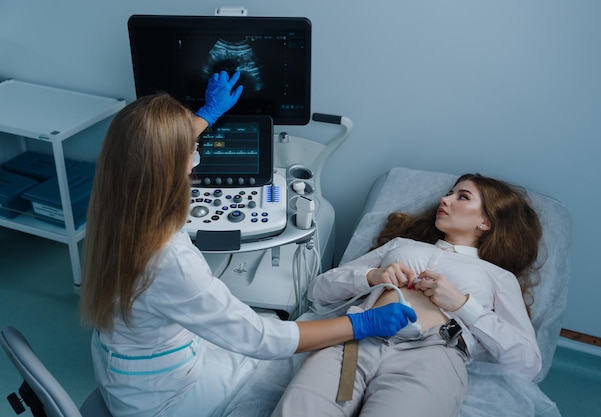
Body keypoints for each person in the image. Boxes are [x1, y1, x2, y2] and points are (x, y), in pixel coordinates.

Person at [79, 70, 416, 417]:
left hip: (126, 373)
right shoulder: (170, 260)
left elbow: (152, 149)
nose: (194, 160)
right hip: (163, 400)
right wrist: (361, 324)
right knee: (285, 365)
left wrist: (208, 114)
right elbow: (260, 339)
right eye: (191, 155)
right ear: (167, 170)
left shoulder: (114, 210)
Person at [271, 173, 543, 417]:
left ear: (485, 221)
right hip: (356, 340)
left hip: (432, 355)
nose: (445, 199)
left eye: (462, 196)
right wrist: (371, 277)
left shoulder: (496, 276)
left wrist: (462, 304)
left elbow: (527, 363)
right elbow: (319, 290)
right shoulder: (402, 246)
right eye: (450, 192)